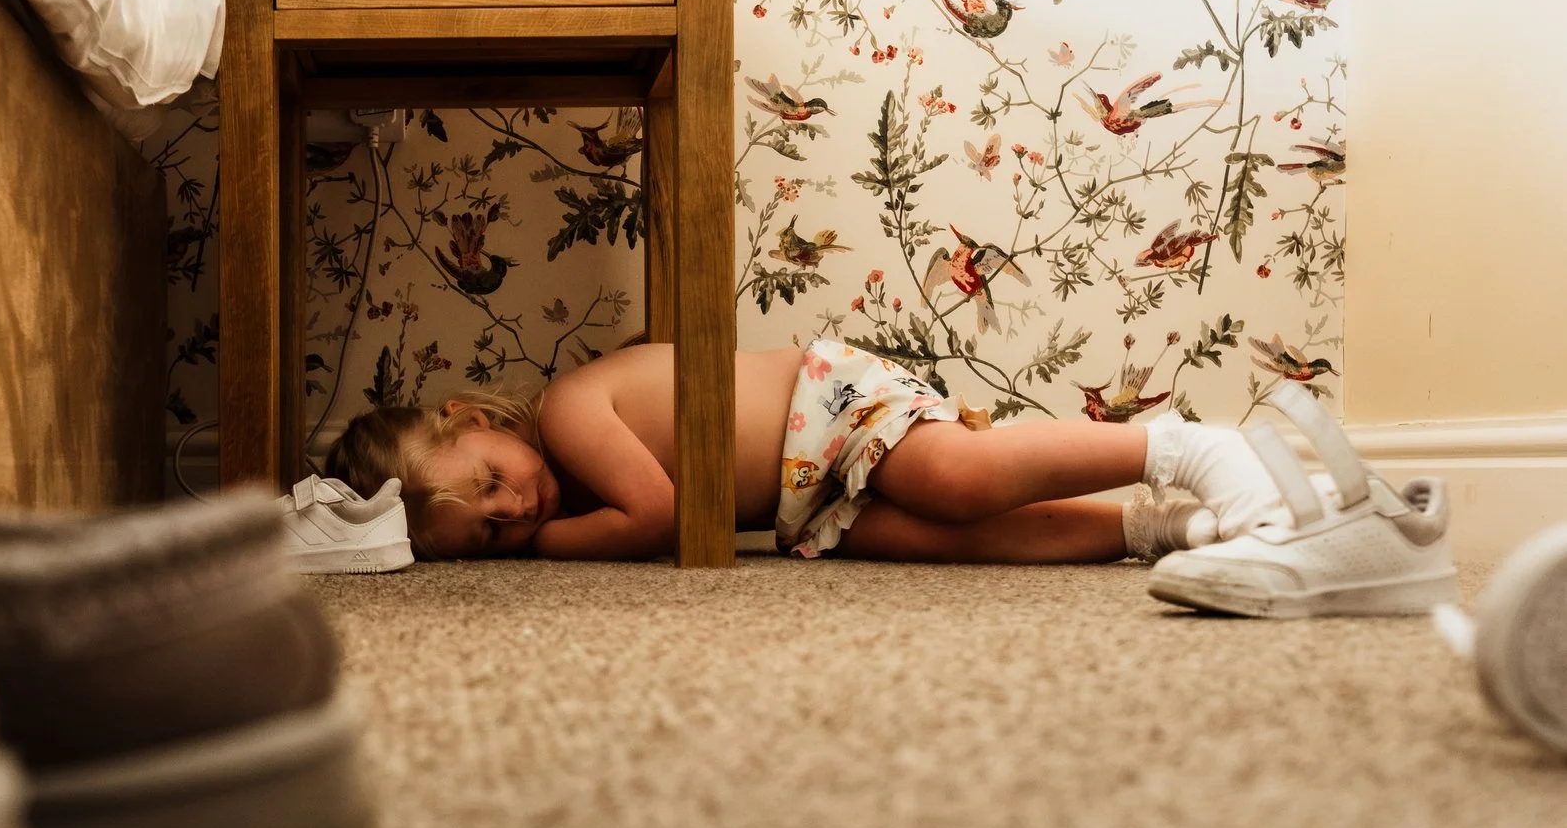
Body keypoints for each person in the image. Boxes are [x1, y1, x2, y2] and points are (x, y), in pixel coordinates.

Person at [322, 340, 1287, 563]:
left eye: (490, 481)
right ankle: (1163, 530)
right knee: (941, 541)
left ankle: (1190, 450)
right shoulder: (559, 477)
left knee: (956, 478)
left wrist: (544, 552)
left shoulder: (571, 410)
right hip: (802, 500)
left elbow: (658, 512)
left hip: (825, 411)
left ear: (470, 416)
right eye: (490, 534)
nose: (513, 511)